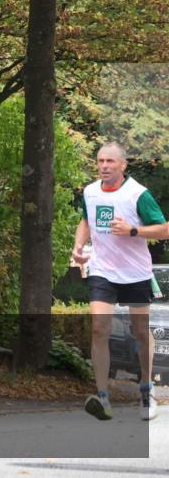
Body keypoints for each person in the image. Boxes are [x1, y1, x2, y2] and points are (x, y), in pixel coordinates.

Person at [72, 142, 167, 422]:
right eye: (100, 160)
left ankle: (147, 390)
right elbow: (86, 221)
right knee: (99, 328)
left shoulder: (138, 194)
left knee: (140, 331)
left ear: (123, 165)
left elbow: (164, 230)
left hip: (135, 273)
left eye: (110, 161)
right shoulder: (90, 192)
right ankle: (102, 397)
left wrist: (133, 230)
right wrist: (78, 246)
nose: (104, 166)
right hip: (103, 271)